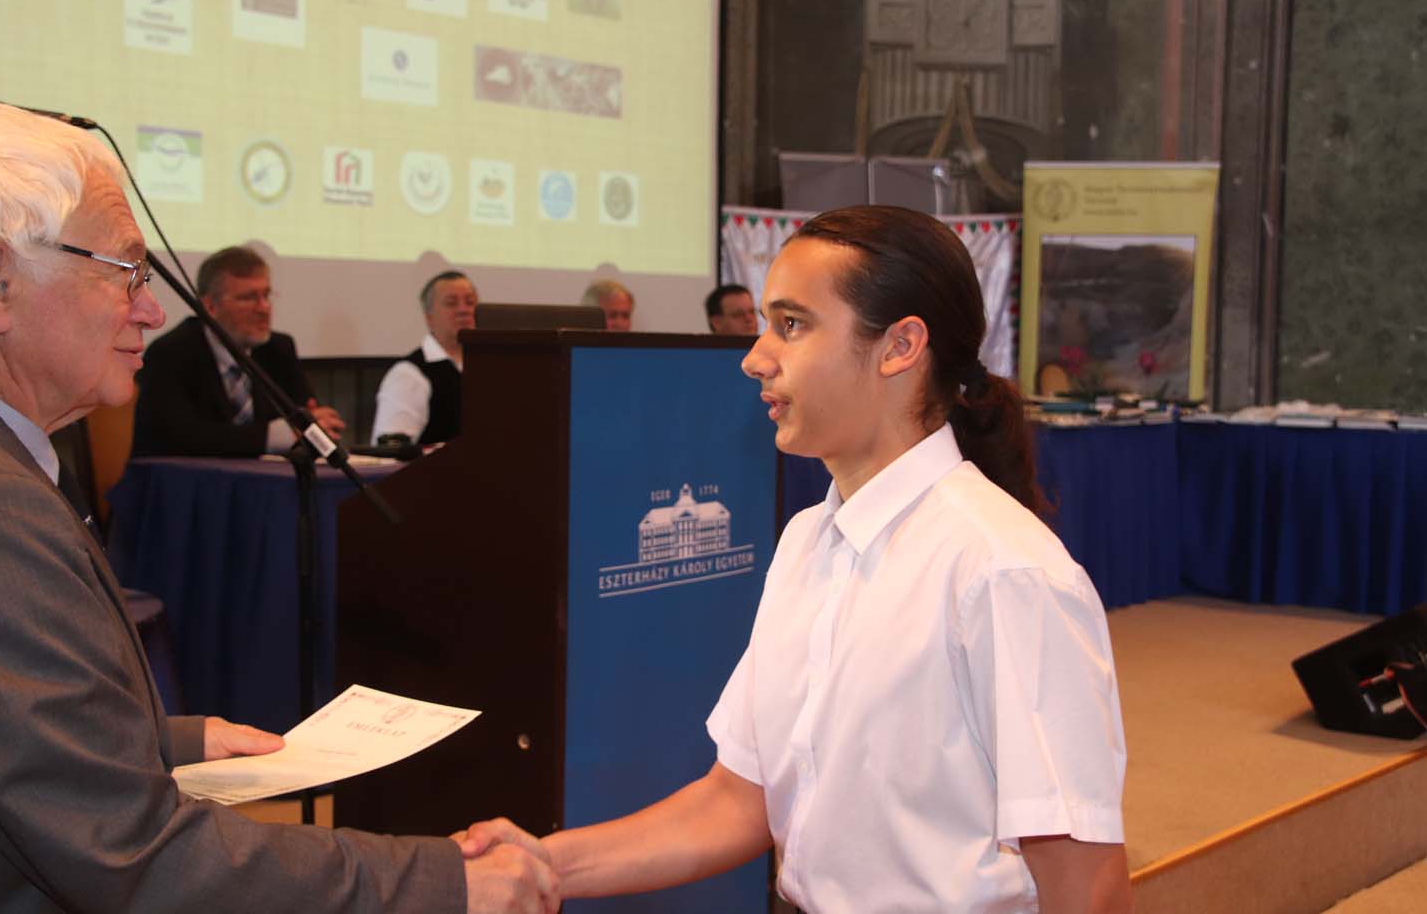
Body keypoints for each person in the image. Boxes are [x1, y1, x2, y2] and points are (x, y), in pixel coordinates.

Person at [0, 103, 556, 913]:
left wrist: (171, 740)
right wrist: (442, 883)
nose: (152, 309)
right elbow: (131, 856)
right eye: (126, 272)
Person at [463, 205, 1130, 912]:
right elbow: (737, 799)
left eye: (791, 325)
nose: (755, 357)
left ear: (900, 347)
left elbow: (1087, 887)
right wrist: (543, 865)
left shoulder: (1001, 570)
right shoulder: (809, 538)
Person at [130, 243, 346, 458]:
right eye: (249, 298)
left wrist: (316, 426)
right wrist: (274, 436)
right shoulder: (171, 354)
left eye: (266, 296)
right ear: (210, 307)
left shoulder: (279, 349)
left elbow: (307, 421)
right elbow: (178, 438)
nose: (263, 308)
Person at [371, 270, 477, 445]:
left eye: (470, 302)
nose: (464, 310)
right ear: (429, 317)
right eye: (451, 303)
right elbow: (390, 451)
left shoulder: (489, 366)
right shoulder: (409, 375)